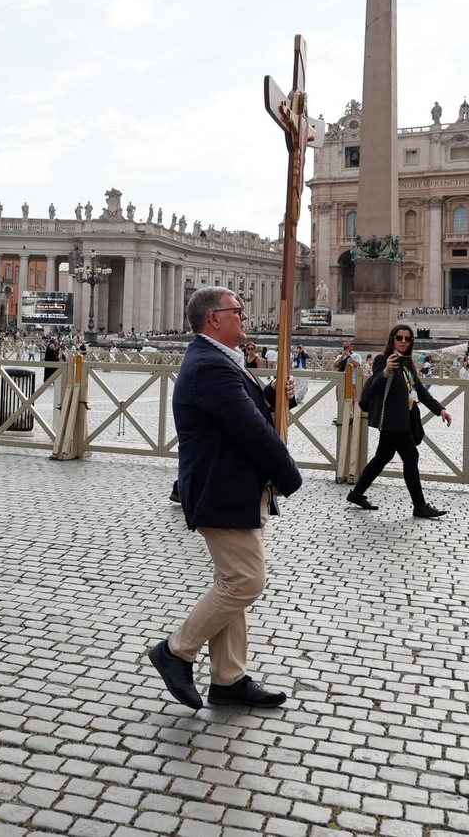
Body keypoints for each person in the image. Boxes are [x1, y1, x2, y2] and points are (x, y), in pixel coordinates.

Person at [147, 286, 301, 712]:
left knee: (231, 582)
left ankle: (228, 679)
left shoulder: (218, 359)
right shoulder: (210, 365)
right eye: (238, 311)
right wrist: (289, 476)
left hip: (231, 485)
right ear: (214, 318)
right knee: (246, 581)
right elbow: (248, 429)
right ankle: (176, 650)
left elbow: (243, 411)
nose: (245, 317)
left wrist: (271, 396)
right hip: (221, 487)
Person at [348, 323, 453, 519]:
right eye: (399, 338)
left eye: (407, 338)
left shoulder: (407, 363)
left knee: (382, 457)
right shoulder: (383, 360)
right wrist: (387, 370)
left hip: (403, 418)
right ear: (392, 339)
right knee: (411, 457)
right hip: (391, 420)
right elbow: (376, 385)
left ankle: (356, 493)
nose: (403, 341)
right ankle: (419, 505)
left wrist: (441, 410)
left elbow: (419, 390)